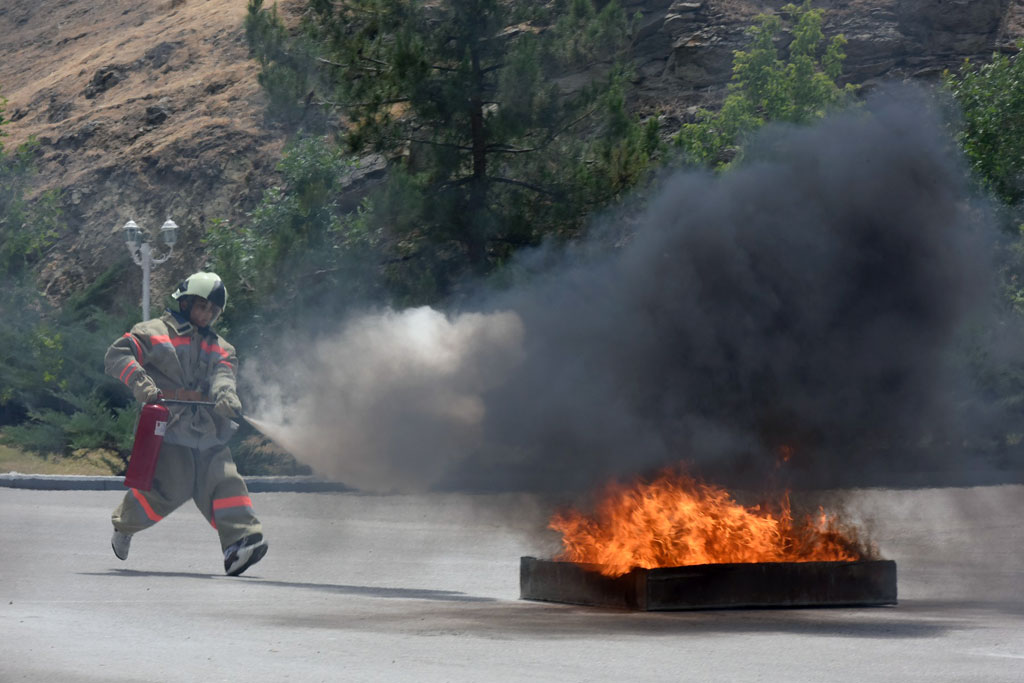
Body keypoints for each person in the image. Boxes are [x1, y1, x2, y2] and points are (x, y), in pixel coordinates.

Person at [104, 271, 268, 576]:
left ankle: (241, 543)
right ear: (185, 301)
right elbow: (117, 355)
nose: (207, 315)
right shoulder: (153, 331)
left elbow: (224, 375)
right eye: (202, 306)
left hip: (208, 429)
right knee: (168, 488)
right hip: (168, 427)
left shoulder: (222, 347)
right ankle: (124, 525)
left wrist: (226, 395)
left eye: (213, 311)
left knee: (225, 479)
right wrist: (140, 381)